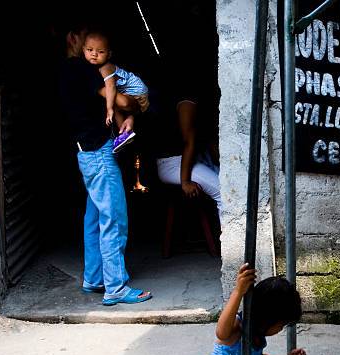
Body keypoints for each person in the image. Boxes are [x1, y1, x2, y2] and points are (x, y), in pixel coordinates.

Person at [59, 25, 152, 306]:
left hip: (85, 152)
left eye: (98, 49)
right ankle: (116, 287)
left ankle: (94, 278)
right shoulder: (84, 70)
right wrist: (136, 106)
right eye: (88, 45)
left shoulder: (66, 71)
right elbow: (122, 99)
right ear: (74, 38)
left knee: (93, 218)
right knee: (113, 218)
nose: (93, 52)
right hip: (99, 153)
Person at [200, 264, 307, 355]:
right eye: (280, 325)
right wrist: (238, 291)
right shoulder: (237, 329)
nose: (280, 330)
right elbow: (221, 332)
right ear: (267, 318)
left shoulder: (256, 332)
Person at [155, 86, 222, 220]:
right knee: (225, 194)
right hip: (172, 163)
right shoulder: (186, 100)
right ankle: (233, 241)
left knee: (231, 185)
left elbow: (210, 140)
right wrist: (185, 182)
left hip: (195, 159)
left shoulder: (204, 102)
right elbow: (188, 141)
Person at [82, 31, 149, 153]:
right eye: (89, 50)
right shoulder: (94, 68)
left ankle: (123, 133)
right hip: (131, 92)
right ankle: (124, 134)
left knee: (113, 104)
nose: (94, 54)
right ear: (83, 49)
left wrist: (109, 110)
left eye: (100, 52)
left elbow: (111, 87)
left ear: (108, 54)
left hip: (136, 90)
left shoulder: (105, 67)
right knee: (114, 104)